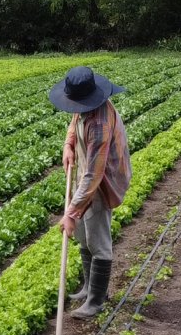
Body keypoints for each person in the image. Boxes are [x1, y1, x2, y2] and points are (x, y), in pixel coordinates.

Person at [48, 66, 132, 319]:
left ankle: (96, 300)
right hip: (87, 171)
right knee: (84, 237)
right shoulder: (85, 108)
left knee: (99, 242)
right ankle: (88, 287)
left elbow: (93, 176)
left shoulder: (99, 126)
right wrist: (68, 145)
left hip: (103, 180)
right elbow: (75, 120)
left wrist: (71, 214)